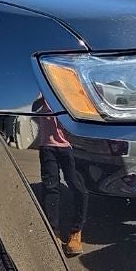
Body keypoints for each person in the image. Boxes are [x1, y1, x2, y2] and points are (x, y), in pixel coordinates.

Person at [32, 95, 89, 256]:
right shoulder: (44, 93)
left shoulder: (70, 91)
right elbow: (34, 109)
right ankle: (54, 232)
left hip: (69, 147)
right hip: (47, 146)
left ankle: (76, 231)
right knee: (51, 188)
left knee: (78, 187)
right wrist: (44, 97)